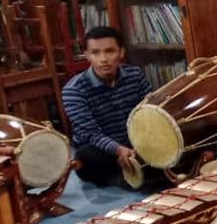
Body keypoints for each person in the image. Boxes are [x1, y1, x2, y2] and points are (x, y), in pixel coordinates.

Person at [61, 26, 152, 185]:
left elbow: (151, 110)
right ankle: (131, 171)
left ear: (121, 52)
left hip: (134, 140)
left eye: (110, 51)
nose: (103, 59)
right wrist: (119, 150)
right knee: (87, 159)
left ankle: (135, 169)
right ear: (87, 56)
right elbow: (91, 133)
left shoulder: (135, 74)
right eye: (95, 53)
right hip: (102, 148)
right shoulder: (73, 90)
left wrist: (142, 143)